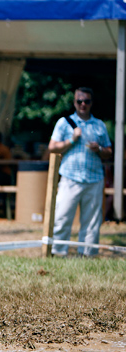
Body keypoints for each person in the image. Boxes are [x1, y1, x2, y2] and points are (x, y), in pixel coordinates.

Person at [48, 87, 113, 257]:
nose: (83, 104)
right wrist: (72, 139)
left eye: (87, 101)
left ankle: (87, 254)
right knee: (62, 217)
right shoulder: (64, 123)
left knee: (92, 222)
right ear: (74, 102)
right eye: (79, 101)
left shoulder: (99, 125)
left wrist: (98, 148)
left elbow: (109, 151)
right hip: (70, 177)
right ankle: (58, 252)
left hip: (94, 178)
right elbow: (52, 147)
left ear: (91, 103)